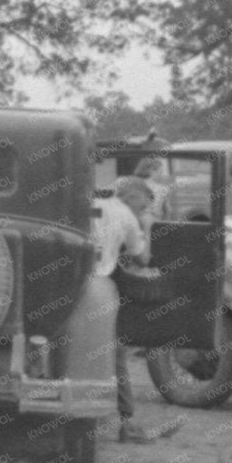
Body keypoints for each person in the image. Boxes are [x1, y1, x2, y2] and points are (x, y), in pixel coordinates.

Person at [95, 175, 158, 444]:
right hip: (98, 287)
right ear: (131, 198)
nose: (142, 211)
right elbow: (142, 258)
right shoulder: (127, 217)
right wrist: (145, 227)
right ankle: (127, 421)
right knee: (117, 353)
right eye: (142, 206)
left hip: (67, 283)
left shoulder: (93, 203)